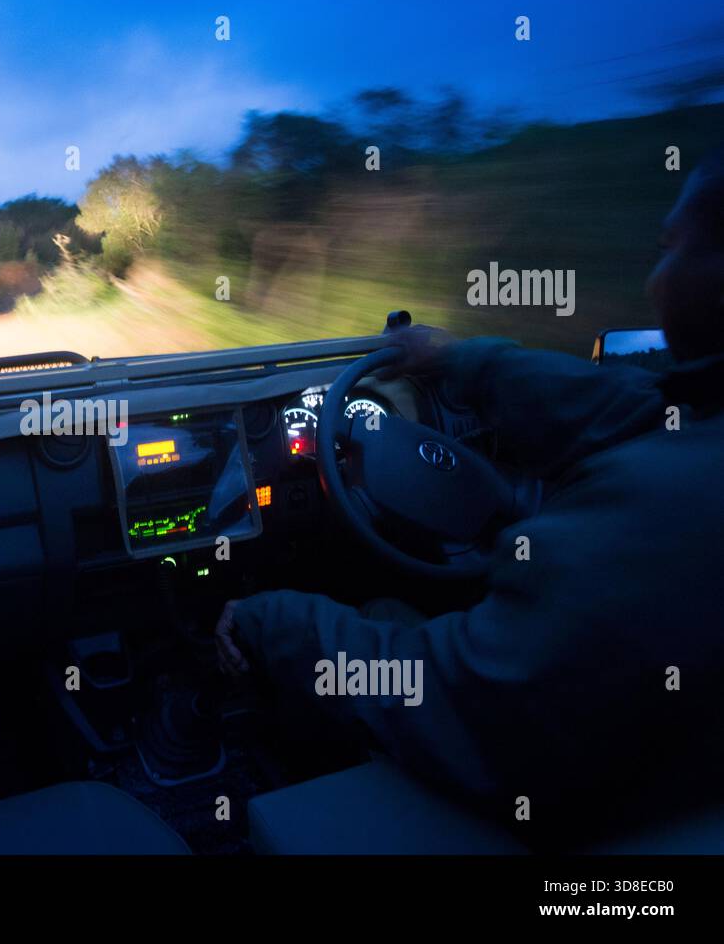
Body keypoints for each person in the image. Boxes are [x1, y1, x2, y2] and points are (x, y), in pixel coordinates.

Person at [215, 148, 724, 843]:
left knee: (369, 617)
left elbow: (456, 695)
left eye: (672, 248)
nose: (654, 275)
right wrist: (453, 362)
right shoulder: (692, 428)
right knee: (396, 605)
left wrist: (271, 622)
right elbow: (626, 405)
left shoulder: (657, 518)